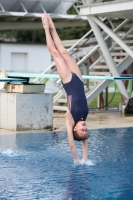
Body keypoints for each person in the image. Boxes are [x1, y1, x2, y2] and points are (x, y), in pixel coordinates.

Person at [41, 13, 88, 164]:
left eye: (82, 130)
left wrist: (78, 160)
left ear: (75, 130)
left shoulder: (70, 120)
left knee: (56, 54)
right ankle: (53, 27)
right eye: (85, 130)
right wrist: (85, 159)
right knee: (66, 53)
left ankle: (46, 29)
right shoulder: (83, 118)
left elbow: (72, 144)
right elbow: (85, 142)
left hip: (68, 81)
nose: (84, 128)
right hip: (79, 80)